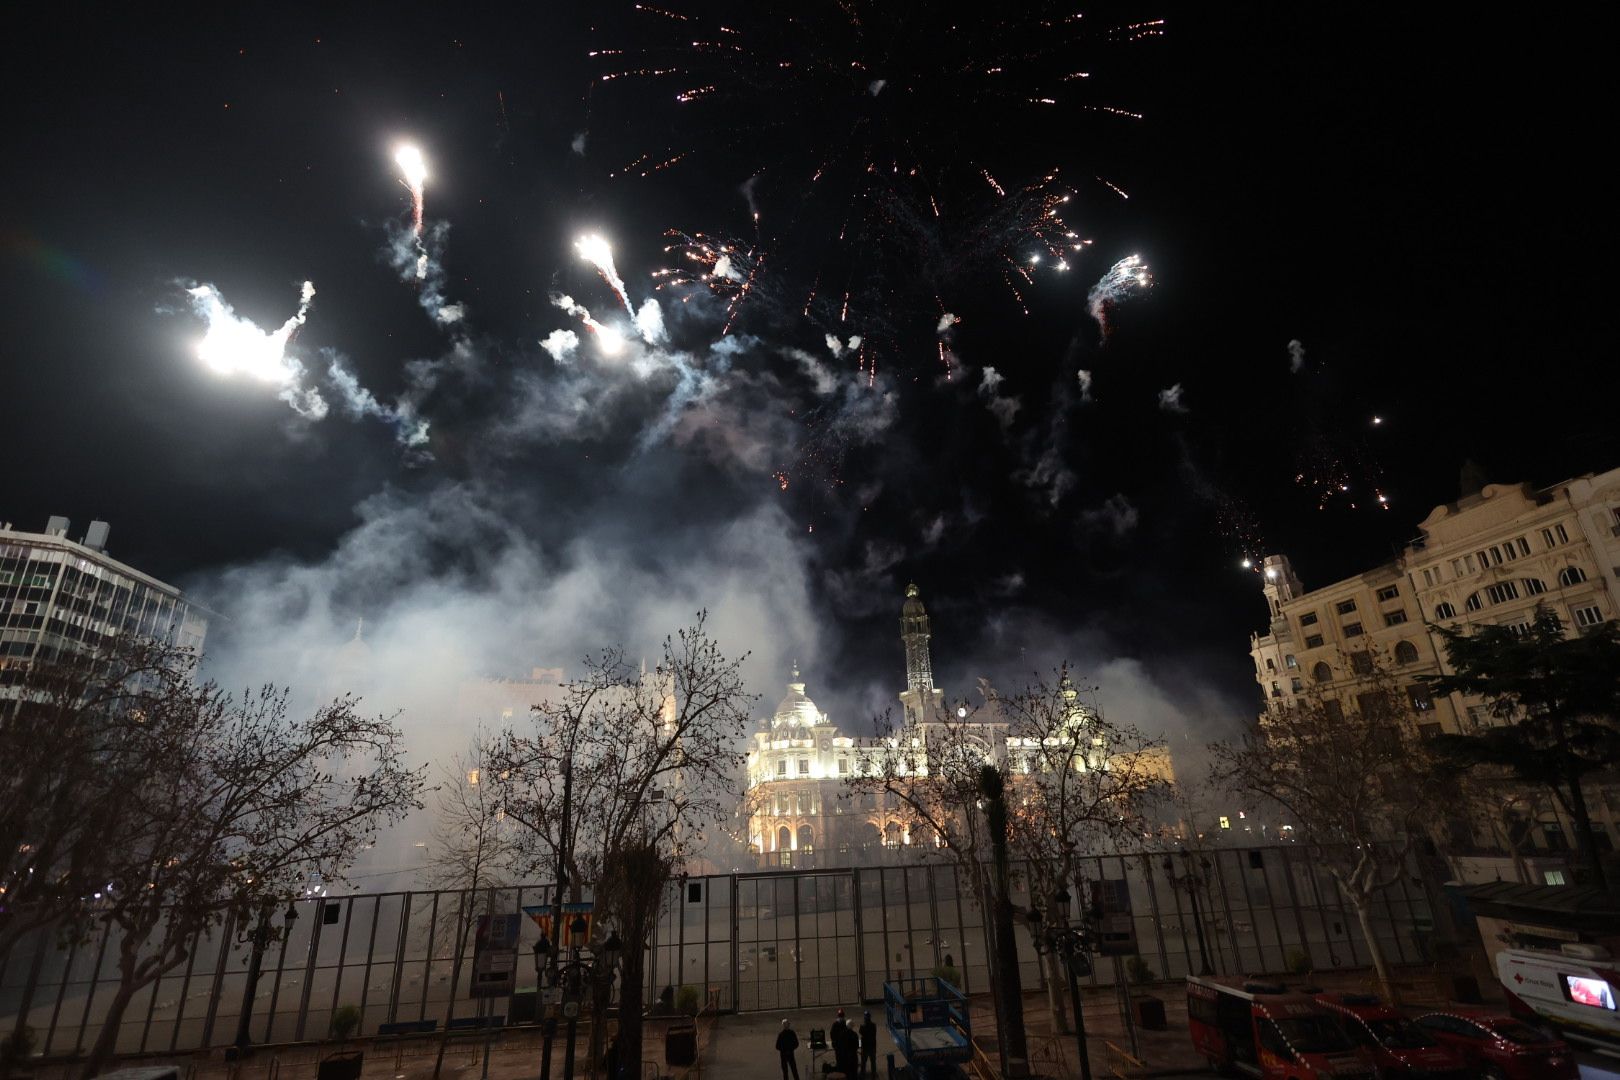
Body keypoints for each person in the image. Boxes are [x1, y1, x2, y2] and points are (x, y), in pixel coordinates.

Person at [859, 1010, 878, 1077]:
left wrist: (860, 1046)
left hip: (865, 1047)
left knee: (863, 1063)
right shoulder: (873, 1025)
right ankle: (873, 1074)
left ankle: (862, 1074)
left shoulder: (862, 1026)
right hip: (872, 1047)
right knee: (873, 1062)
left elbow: (861, 1035)